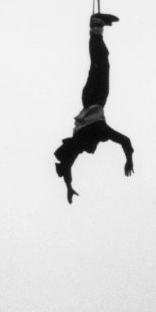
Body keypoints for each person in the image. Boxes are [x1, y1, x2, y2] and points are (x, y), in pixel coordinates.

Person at [54, 13, 134, 203]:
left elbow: (126, 141)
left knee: (100, 62)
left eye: (93, 149)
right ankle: (97, 28)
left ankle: (96, 25)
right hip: (92, 99)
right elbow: (66, 165)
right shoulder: (84, 139)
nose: (93, 150)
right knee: (100, 62)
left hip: (95, 98)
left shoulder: (98, 133)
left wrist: (129, 160)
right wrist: (68, 186)